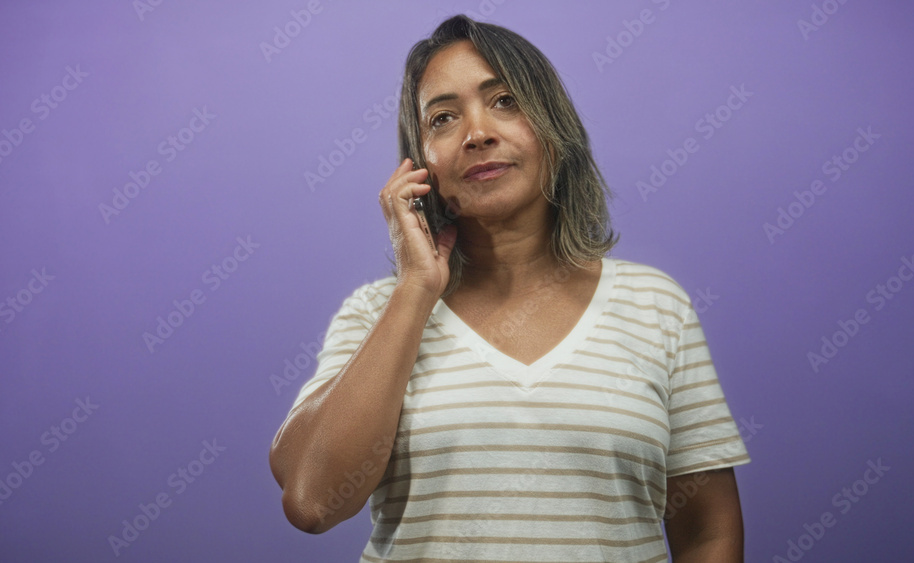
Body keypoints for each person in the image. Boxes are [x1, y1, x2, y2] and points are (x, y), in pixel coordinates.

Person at [270, 14, 751, 562]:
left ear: (554, 130)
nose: (477, 134)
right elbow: (311, 502)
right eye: (443, 118)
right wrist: (415, 290)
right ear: (419, 165)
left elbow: (708, 532)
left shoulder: (656, 306)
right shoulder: (375, 312)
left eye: (505, 101)